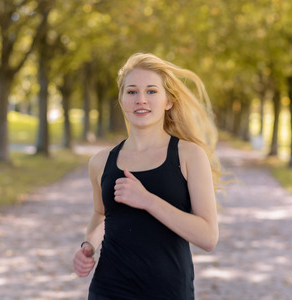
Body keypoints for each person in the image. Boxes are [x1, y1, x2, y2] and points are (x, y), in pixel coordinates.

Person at [73, 53, 222, 300]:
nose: (140, 99)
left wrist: (148, 201)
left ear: (168, 101)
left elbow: (208, 237)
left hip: (168, 290)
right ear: (121, 100)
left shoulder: (189, 155)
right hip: (109, 289)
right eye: (131, 92)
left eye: (151, 91)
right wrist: (88, 245)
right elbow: (101, 214)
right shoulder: (101, 162)